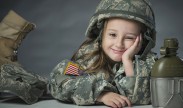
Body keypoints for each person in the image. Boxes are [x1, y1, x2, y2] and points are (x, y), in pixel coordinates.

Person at [49, 0, 157, 107]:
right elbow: (58, 81)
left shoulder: (148, 63)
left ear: (144, 40)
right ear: (101, 34)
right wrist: (101, 94)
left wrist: (127, 61)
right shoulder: (89, 57)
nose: (119, 44)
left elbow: (142, 98)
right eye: (113, 34)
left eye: (129, 37)